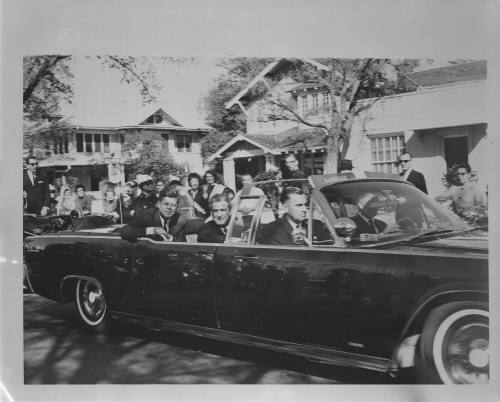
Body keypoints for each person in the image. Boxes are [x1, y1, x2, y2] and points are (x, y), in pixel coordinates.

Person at [258, 187, 331, 246]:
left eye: (305, 204)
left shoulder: (317, 225)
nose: (304, 209)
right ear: (285, 208)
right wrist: (295, 245)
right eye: (299, 205)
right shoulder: (270, 230)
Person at [121, 189, 187, 242]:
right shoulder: (147, 215)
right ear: (158, 204)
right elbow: (125, 231)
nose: (169, 207)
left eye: (173, 205)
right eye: (166, 204)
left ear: (177, 207)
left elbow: (182, 241)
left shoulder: (179, 218)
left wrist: (171, 239)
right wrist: (152, 230)